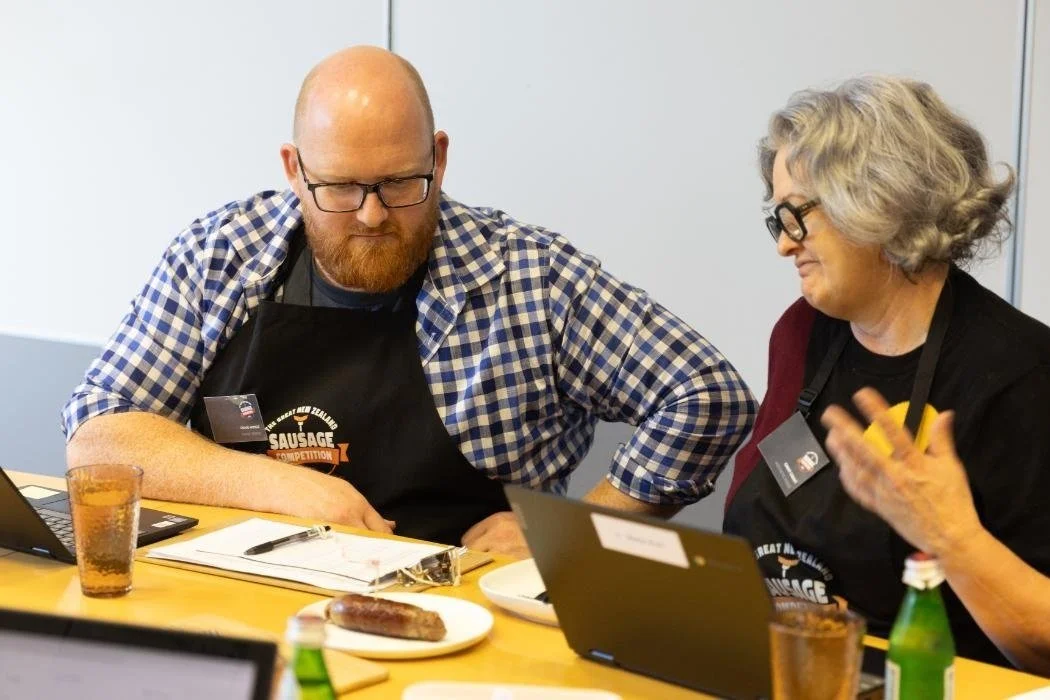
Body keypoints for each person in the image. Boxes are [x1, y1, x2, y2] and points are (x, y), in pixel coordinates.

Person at [62, 46, 756, 558]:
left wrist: (570, 536)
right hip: (245, 588)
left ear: (440, 158)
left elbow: (707, 396)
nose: (370, 217)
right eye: (339, 188)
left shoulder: (528, 277)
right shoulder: (221, 257)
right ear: (292, 170)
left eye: (400, 184)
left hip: (466, 613)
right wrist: (281, 490)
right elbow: (100, 434)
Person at [723, 74, 1050, 672]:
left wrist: (952, 537)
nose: (784, 246)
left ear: (879, 202)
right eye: (778, 221)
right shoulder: (799, 334)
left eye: (797, 216)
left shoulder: (1022, 376)